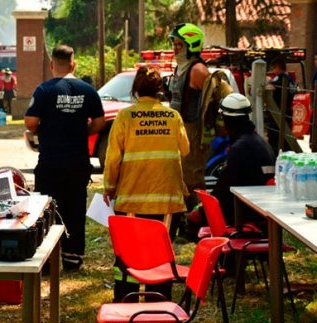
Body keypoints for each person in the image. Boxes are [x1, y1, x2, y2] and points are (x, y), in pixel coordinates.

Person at [103, 66, 190, 301]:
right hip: (167, 201)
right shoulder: (173, 116)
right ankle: (159, 302)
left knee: (128, 254)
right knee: (161, 254)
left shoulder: (125, 117)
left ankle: (127, 300)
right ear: (160, 89)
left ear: (135, 90)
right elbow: (185, 149)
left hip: (132, 199)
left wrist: (109, 187)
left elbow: (113, 158)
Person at [25, 44, 105, 272]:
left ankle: (47, 262)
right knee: (75, 210)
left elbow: (30, 122)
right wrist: (80, 131)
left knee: (47, 210)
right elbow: (99, 123)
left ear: (52, 65)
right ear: (74, 64)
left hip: (50, 163)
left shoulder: (44, 90)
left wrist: (47, 130)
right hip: (78, 164)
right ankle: (72, 259)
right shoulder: (88, 90)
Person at [167, 23, 210, 234]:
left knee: (192, 180)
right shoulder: (180, 68)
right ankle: (183, 223)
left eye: (179, 45)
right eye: (174, 44)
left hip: (192, 130)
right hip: (177, 129)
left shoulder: (198, 70)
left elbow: (216, 99)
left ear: (191, 45)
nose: (175, 49)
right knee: (179, 179)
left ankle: (197, 225)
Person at [211, 93, 275, 224]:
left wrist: (201, 212)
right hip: (260, 211)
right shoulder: (260, 142)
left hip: (245, 215)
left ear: (228, 120)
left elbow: (223, 189)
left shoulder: (240, 148)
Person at [266, 58, 296, 155]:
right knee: (286, 138)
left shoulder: (282, 79)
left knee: (277, 140)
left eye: (273, 68)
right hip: (286, 112)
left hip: (279, 113)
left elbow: (272, 87)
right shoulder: (290, 78)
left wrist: (268, 83)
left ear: (278, 67)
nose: (272, 70)